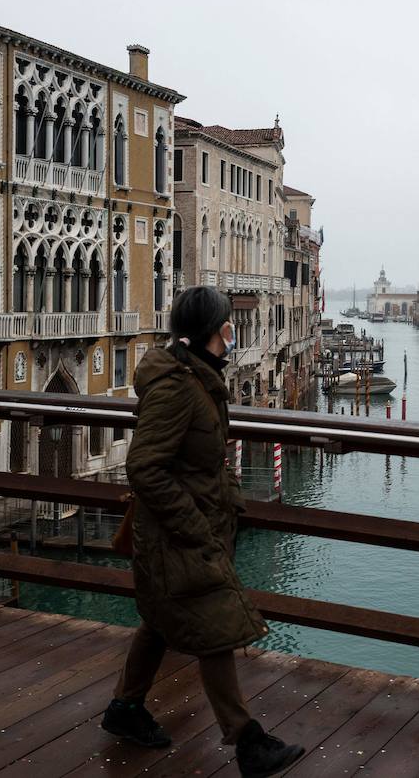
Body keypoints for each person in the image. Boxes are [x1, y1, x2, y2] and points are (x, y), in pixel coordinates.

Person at [102, 286, 305, 777]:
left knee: (160, 619)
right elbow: (145, 467)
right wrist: (195, 525)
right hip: (179, 534)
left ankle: (125, 709)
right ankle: (247, 742)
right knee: (215, 626)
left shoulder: (199, 377)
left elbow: (208, 458)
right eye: (228, 324)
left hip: (192, 528)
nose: (233, 331)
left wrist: (230, 500)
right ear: (217, 331)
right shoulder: (178, 386)